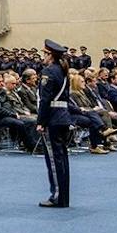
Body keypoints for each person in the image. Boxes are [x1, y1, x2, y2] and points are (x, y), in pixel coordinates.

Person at [36, 39, 72, 209]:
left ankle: (57, 196)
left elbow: (45, 99)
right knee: (62, 158)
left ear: (50, 55)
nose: (43, 57)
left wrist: (41, 121)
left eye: (45, 53)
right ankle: (63, 196)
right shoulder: (63, 71)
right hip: (63, 116)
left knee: (54, 160)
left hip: (52, 118)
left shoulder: (49, 71)